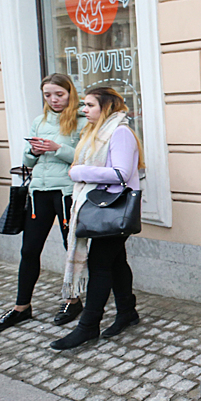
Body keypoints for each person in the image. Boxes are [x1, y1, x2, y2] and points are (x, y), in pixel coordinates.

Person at [0, 74, 87, 333]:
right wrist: (33, 151)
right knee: (29, 250)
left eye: (59, 94)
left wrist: (57, 148)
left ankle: (72, 300)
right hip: (38, 192)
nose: (53, 100)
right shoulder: (39, 121)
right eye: (48, 95)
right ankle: (22, 307)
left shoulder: (82, 120)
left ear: (70, 93)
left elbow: (86, 158)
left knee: (71, 250)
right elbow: (27, 162)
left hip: (65, 193)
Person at [49, 87, 146, 350]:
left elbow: (122, 174)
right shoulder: (96, 132)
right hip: (104, 208)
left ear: (106, 107)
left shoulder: (120, 132)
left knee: (100, 264)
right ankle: (127, 312)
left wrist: (80, 171)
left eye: (90, 105)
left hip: (115, 208)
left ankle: (88, 326)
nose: (84, 110)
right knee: (115, 263)